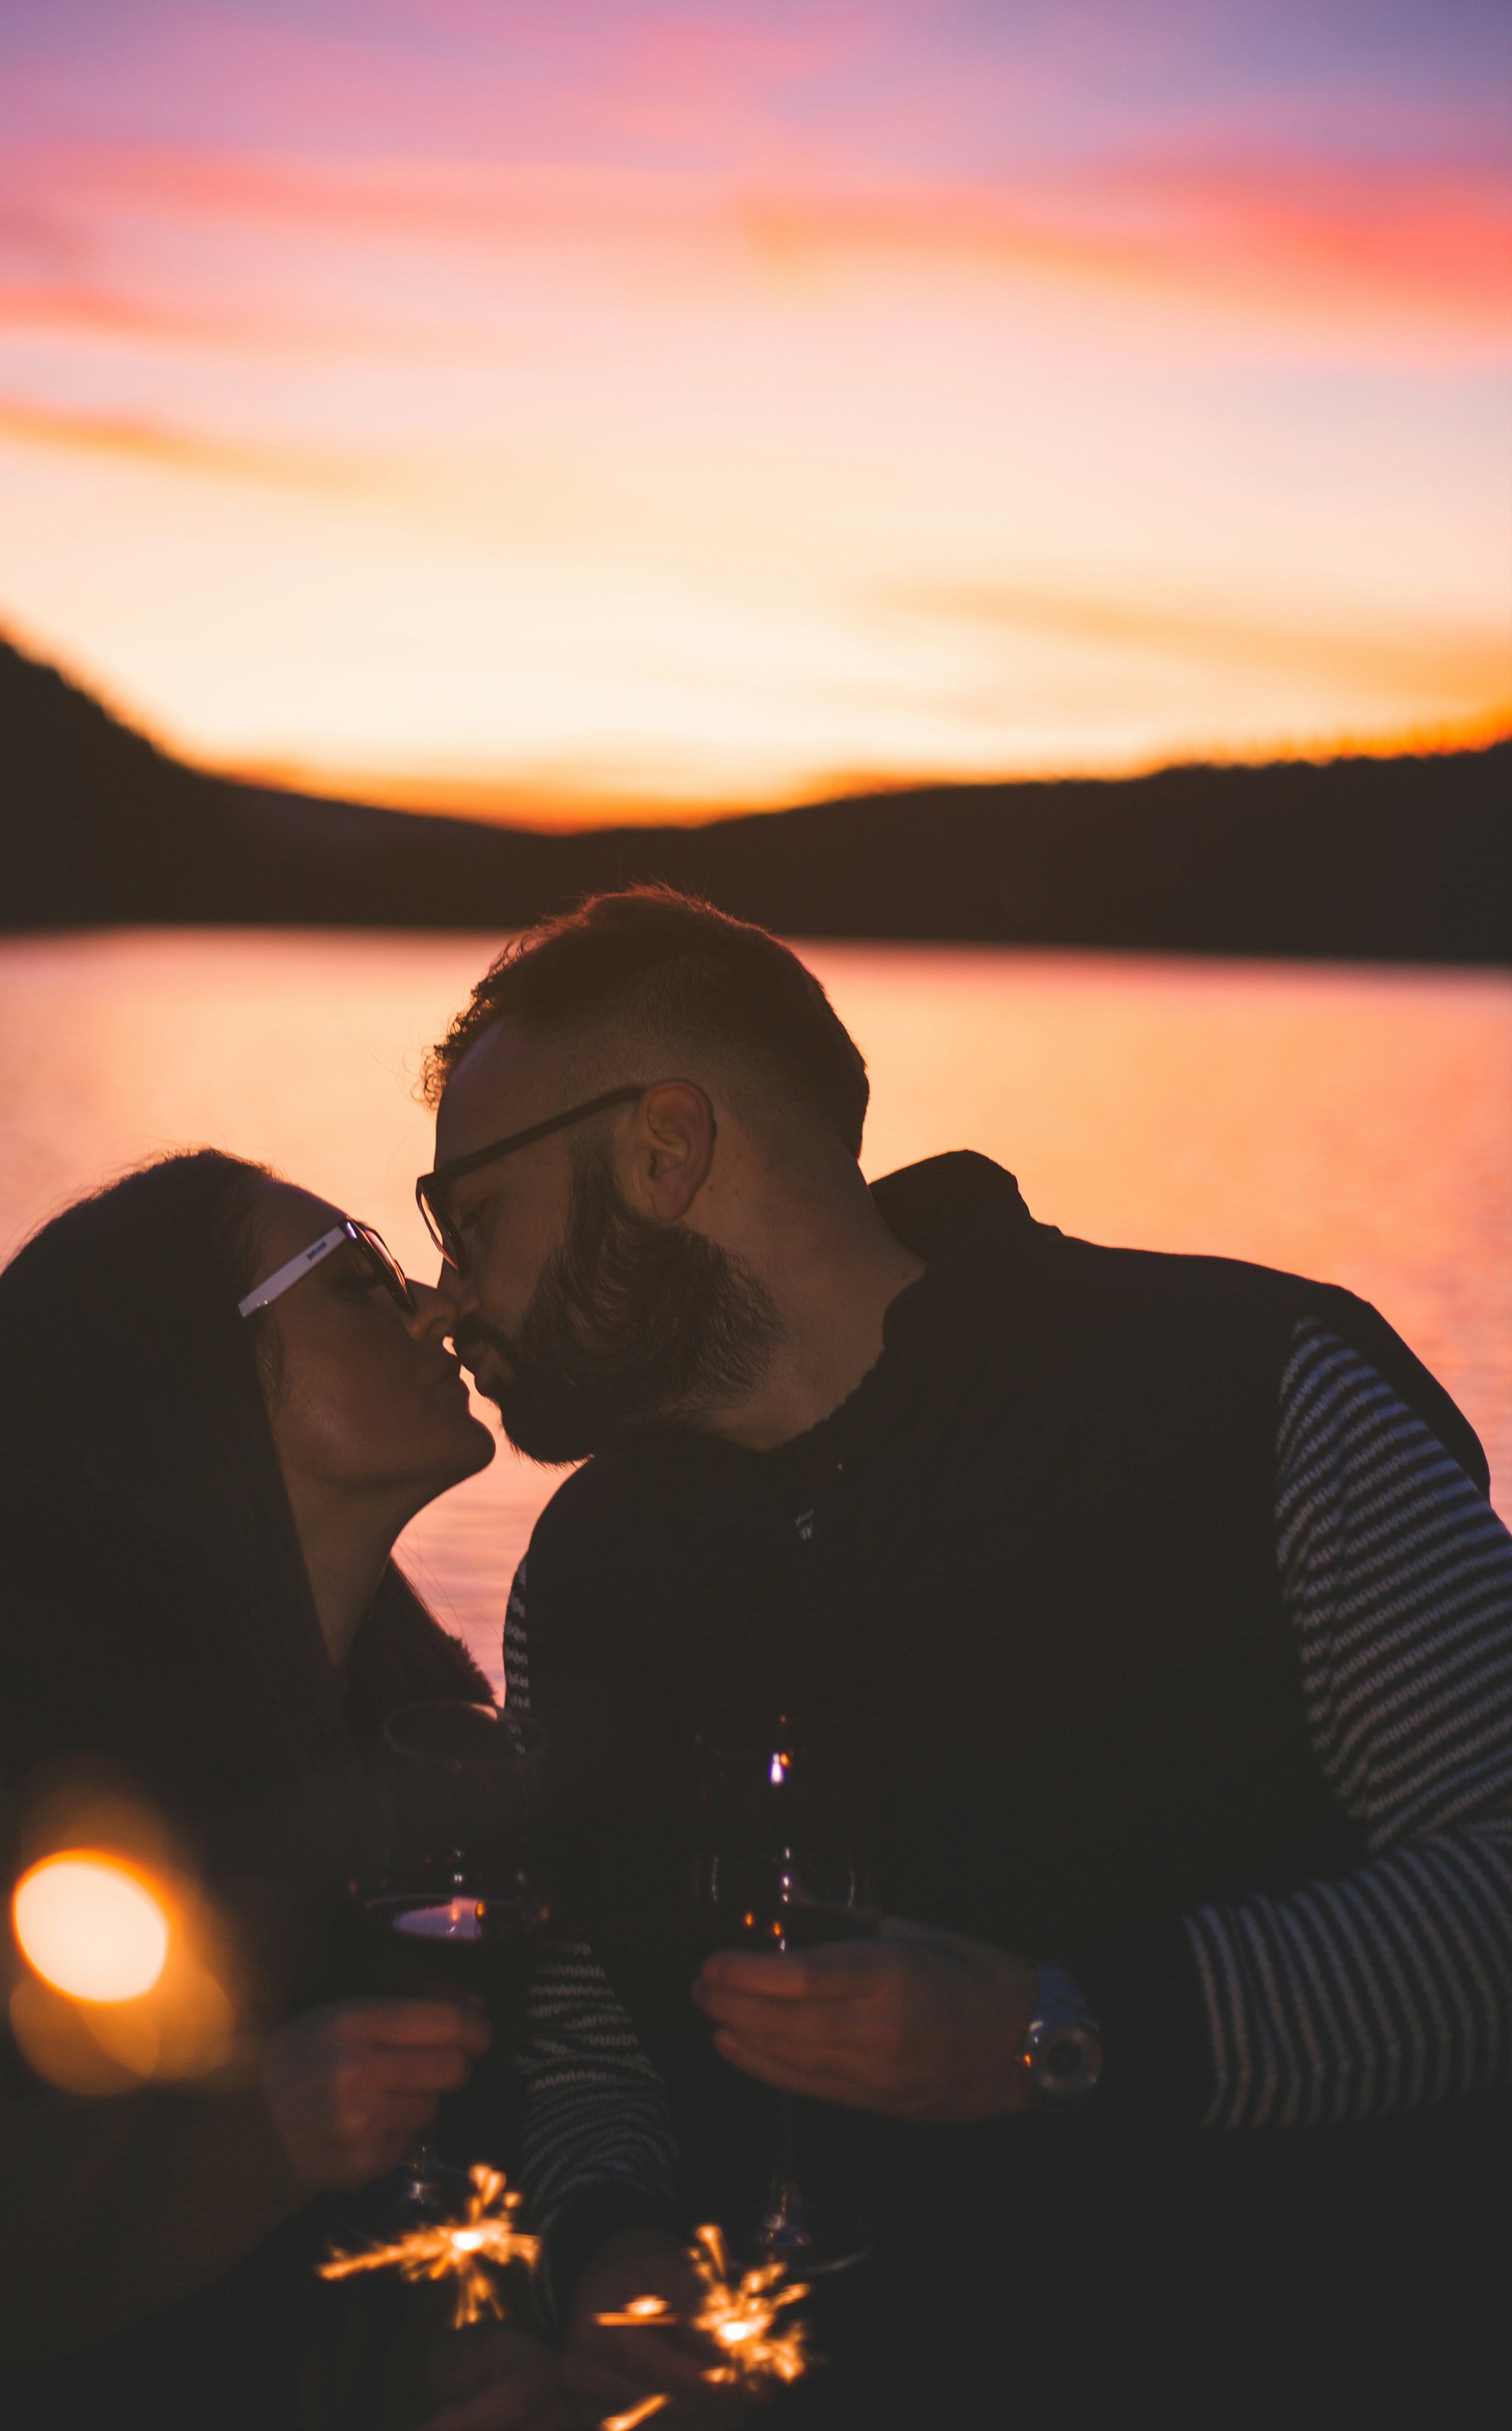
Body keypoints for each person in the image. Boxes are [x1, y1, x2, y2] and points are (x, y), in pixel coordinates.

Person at [417, 886, 1512, 2429]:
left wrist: (1058, 2032)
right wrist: (608, 2245)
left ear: (662, 1148)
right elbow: (596, 2028)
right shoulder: (585, 1577)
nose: (450, 1291)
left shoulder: (1247, 1395)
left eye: (468, 1220)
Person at [0, 1148, 574, 2429]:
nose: (435, 1310)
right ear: (192, 1377)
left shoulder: (410, 1725)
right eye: (356, 1281)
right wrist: (250, 2140)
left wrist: (452, 2346)